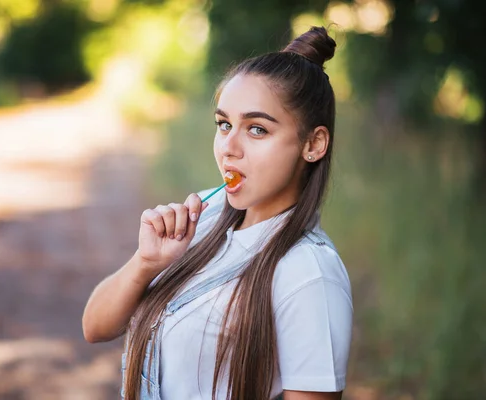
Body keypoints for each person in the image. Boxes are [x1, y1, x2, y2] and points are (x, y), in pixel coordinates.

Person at [82, 26, 353, 400]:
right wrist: (145, 263)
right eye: (224, 124)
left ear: (313, 144)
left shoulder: (309, 274)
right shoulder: (203, 220)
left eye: (256, 129)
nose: (229, 146)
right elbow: (95, 327)